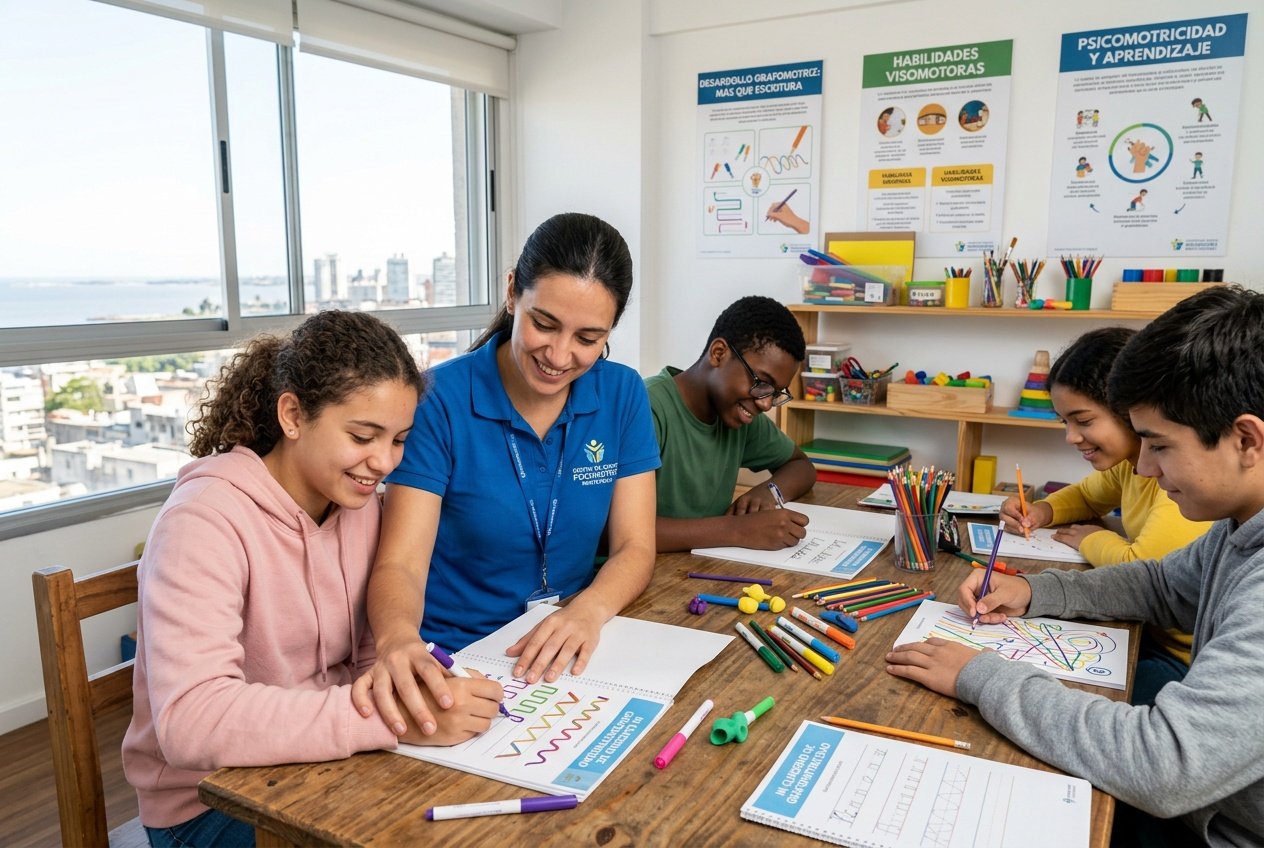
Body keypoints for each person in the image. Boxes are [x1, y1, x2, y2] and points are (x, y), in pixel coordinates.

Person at [886, 285, 1264, 847]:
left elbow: (1163, 764)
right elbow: (1161, 585)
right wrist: (1037, 594)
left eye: (1158, 445)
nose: (1144, 468)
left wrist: (979, 675)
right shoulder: (1239, 524)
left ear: (1245, 439)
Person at [123, 311, 503, 847]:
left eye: (399, 440)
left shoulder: (359, 504)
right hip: (207, 801)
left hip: (326, 763)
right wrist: (390, 722)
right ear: (293, 415)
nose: (384, 462)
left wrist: (416, 696)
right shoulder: (202, 520)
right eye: (363, 436)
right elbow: (191, 722)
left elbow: (371, 661)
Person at [359, 213, 660, 740]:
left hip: (567, 653)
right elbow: (400, 564)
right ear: (511, 292)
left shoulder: (623, 393)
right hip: (459, 662)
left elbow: (635, 546)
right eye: (544, 323)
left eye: (588, 337)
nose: (560, 355)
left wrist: (587, 612)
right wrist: (397, 643)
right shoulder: (439, 400)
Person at [999, 327, 1210, 701]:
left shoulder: (1183, 483)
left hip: (1178, 658)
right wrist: (1043, 510)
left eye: (1083, 421)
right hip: (1141, 627)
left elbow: (1143, 567)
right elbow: (1086, 496)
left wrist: (1093, 539)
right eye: (1065, 422)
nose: (1071, 437)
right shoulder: (1131, 464)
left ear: (1130, 410)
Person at [647, 295, 816, 552]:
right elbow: (611, 528)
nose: (766, 404)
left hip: (695, 568)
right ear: (719, 353)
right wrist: (738, 530)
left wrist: (769, 492)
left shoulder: (739, 414)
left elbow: (801, 466)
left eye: (776, 393)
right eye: (762, 383)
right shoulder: (646, 408)